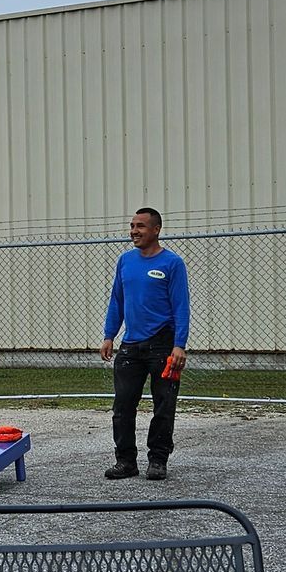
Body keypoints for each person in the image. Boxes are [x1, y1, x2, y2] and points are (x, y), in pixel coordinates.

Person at [100, 206, 190, 481]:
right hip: (131, 346)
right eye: (132, 226)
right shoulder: (126, 261)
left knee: (164, 405)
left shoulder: (172, 264)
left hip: (163, 346)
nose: (134, 231)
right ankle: (126, 462)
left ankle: (158, 460)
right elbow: (118, 300)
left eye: (140, 226)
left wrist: (179, 344)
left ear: (156, 230)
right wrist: (109, 335)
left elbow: (181, 305)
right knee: (123, 407)